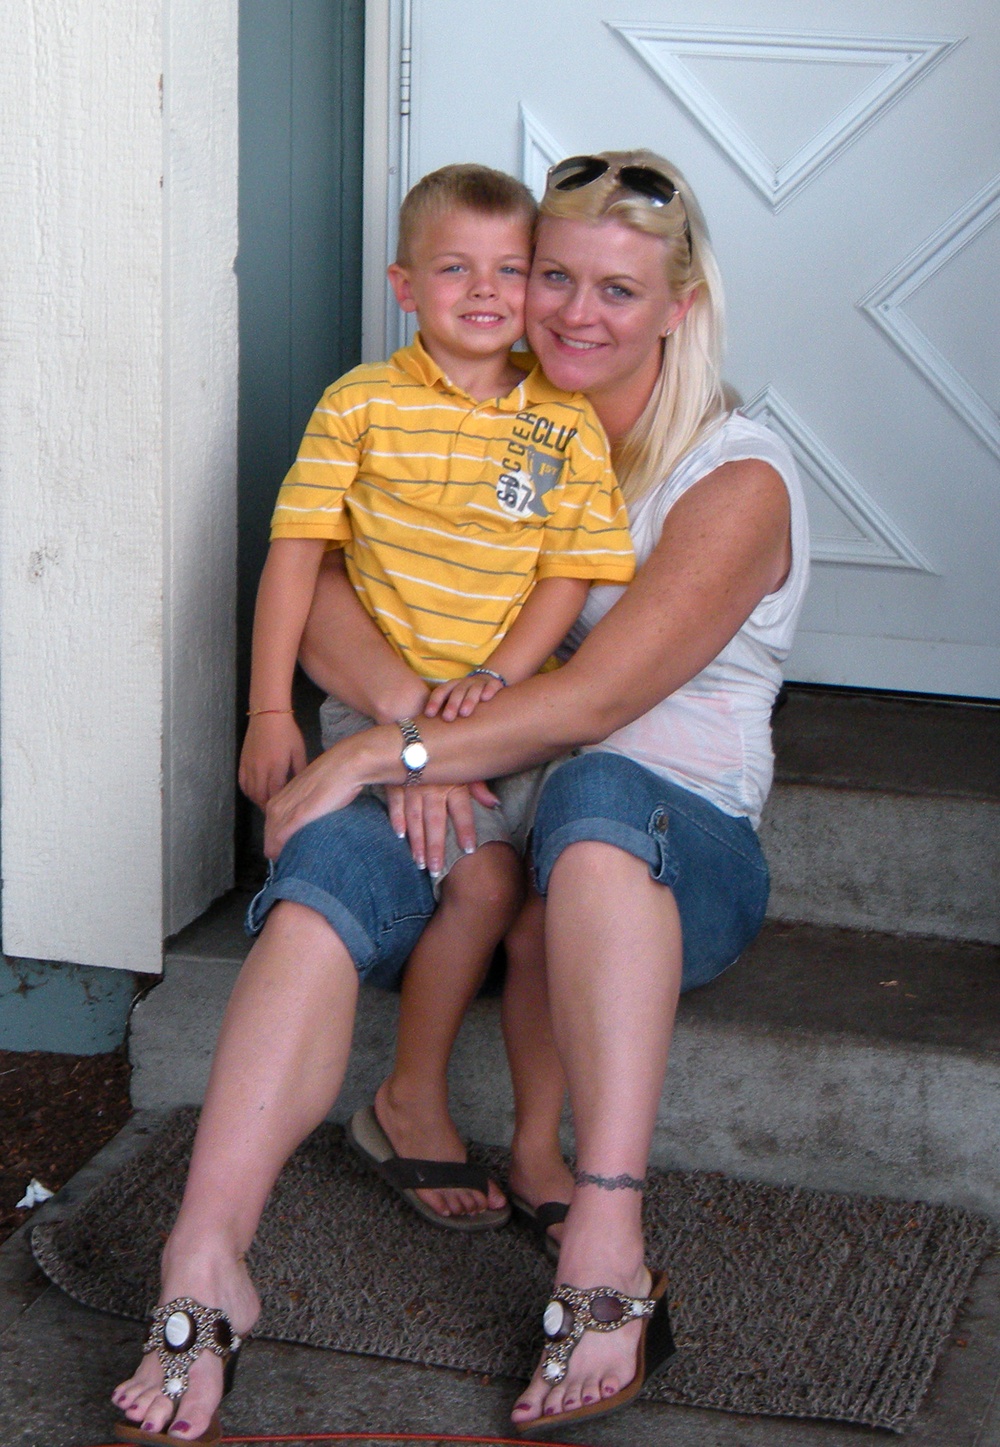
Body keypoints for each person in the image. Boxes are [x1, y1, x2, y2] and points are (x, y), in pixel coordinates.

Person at [112, 148, 807, 1442]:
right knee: (327, 872)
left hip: (664, 846)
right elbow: (320, 585)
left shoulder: (737, 479)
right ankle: (204, 1256)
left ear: (681, 305)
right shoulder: (476, 412)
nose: (577, 312)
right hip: (482, 811)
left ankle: (606, 1239)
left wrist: (398, 752)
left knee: (599, 789)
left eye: (618, 288)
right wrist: (405, 728)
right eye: (557, 276)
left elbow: (596, 697)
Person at [239, 162, 634, 1232]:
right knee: (445, 846)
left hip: (499, 711)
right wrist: (270, 708)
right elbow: (295, 556)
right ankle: (412, 1101)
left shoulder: (563, 419)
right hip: (375, 699)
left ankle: (408, 1090)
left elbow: (568, 568)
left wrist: (497, 682)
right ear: (403, 283)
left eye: (512, 269)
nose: (485, 289)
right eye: (454, 266)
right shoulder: (362, 403)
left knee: (491, 889)